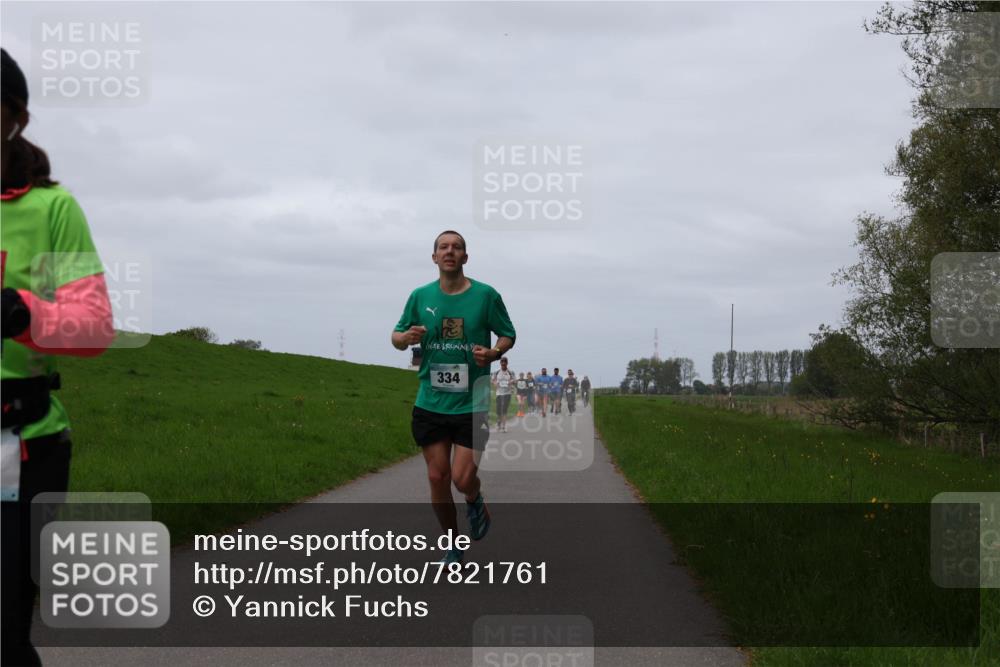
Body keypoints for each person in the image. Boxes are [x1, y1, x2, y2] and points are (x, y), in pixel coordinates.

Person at [1, 48, 115, 667]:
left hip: (24, 443)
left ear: (12, 117)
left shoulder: (51, 209)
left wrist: (24, 314)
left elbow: (93, 326)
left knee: (5, 627)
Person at [392, 230, 515, 564]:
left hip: (471, 404)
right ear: (434, 257)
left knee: (461, 479)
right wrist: (405, 336)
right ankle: (452, 543)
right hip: (430, 402)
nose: (450, 251)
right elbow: (396, 337)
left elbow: (508, 334)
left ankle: (474, 498)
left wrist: (492, 353)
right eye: (443, 247)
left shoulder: (486, 296)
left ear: (465, 257)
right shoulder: (420, 296)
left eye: (456, 247)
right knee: (437, 477)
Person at [491, 357, 515, 432]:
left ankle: (504, 426)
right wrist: (495, 383)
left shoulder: (511, 372)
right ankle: (499, 422)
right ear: (500, 363)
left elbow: (515, 379)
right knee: (498, 410)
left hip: (507, 393)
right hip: (499, 393)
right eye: (502, 363)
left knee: (504, 409)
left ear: (507, 363)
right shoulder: (497, 372)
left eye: (505, 363)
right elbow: (492, 380)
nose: (503, 365)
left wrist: (511, 382)